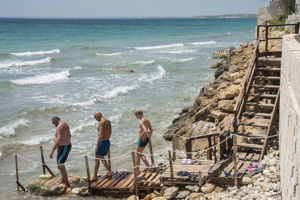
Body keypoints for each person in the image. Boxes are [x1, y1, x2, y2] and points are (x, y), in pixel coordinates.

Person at [49, 116, 72, 187]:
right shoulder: (65, 123)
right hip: (65, 145)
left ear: (56, 121)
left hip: (64, 147)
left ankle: (66, 182)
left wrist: (52, 151)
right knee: (60, 164)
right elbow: (69, 135)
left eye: (54, 124)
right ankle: (63, 180)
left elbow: (58, 139)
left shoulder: (59, 126)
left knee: (60, 164)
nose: (54, 126)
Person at [90, 111, 112, 181]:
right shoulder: (108, 121)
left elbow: (100, 135)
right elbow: (110, 131)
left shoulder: (101, 123)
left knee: (97, 159)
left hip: (102, 142)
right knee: (101, 157)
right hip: (107, 141)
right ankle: (108, 171)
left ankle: (95, 176)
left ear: (98, 116)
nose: (95, 119)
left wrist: (97, 145)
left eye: (95, 118)